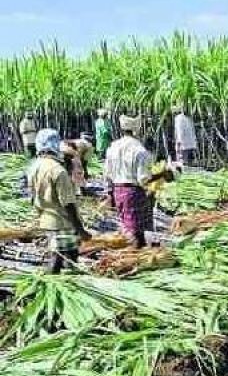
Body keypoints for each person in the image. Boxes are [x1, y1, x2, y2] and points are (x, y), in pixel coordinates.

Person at [27, 129, 90, 273]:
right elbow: (68, 203)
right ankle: (54, 283)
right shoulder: (58, 170)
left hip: (46, 220)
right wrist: (80, 229)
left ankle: (63, 282)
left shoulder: (34, 167)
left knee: (60, 257)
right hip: (62, 222)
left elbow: (32, 196)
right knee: (61, 259)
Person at [104, 115, 173, 248]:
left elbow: (107, 173)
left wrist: (109, 192)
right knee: (136, 230)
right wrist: (162, 174)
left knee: (127, 225)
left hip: (118, 191)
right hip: (133, 193)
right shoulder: (140, 150)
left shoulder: (113, 147)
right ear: (137, 130)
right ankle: (135, 253)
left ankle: (136, 250)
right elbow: (143, 179)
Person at [172, 105, 198, 171]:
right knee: (185, 158)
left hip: (183, 142)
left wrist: (179, 141)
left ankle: (182, 171)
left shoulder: (178, 118)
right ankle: (186, 170)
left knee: (181, 158)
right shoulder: (188, 118)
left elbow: (179, 130)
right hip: (189, 143)